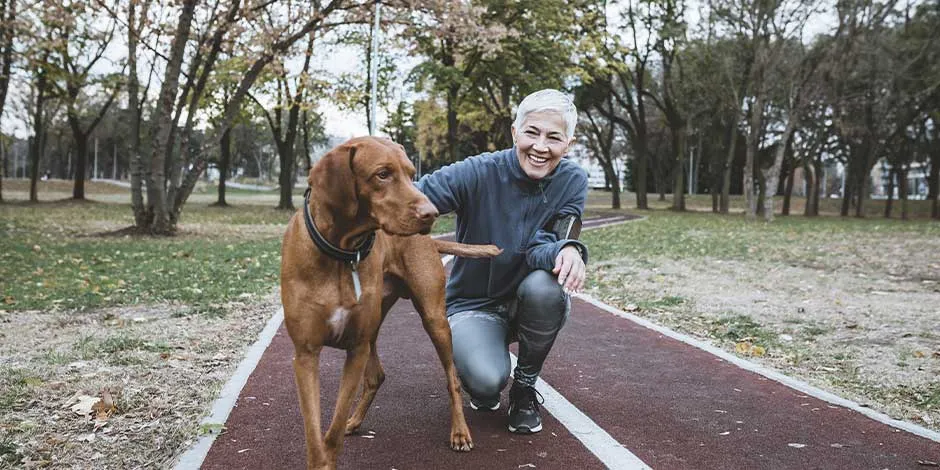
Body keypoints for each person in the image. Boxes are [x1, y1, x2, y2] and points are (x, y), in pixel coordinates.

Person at [416, 89, 589, 434]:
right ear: (515, 132)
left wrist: (568, 249)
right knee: (486, 383)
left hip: (527, 299)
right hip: (472, 302)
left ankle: (524, 388)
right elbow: (414, 198)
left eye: (553, 138)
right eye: (532, 133)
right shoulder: (479, 171)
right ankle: (480, 369)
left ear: (567, 144)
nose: (540, 146)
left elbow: (545, 245)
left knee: (548, 288)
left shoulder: (573, 181)